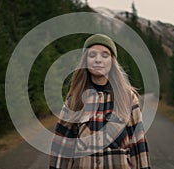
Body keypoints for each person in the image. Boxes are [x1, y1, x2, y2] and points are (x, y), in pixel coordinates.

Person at [49, 34, 150, 169]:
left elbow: (138, 143)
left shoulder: (128, 98)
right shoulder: (75, 100)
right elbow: (62, 147)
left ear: (112, 61)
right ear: (85, 61)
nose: (98, 60)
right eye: (92, 55)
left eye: (105, 55)